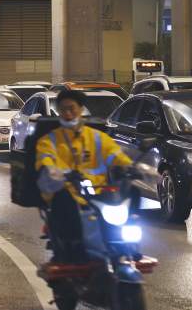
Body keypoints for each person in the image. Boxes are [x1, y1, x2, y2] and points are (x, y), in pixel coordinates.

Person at [35, 90, 132, 262]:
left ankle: (125, 244)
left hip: (97, 193)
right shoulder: (49, 141)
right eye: (63, 109)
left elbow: (116, 155)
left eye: (72, 108)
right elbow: (46, 161)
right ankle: (74, 247)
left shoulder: (97, 138)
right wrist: (58, 172)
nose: (67, 113)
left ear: (81, 109)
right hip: (66, 192)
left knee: (129, 197)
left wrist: (133, 168)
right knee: (65, 203)